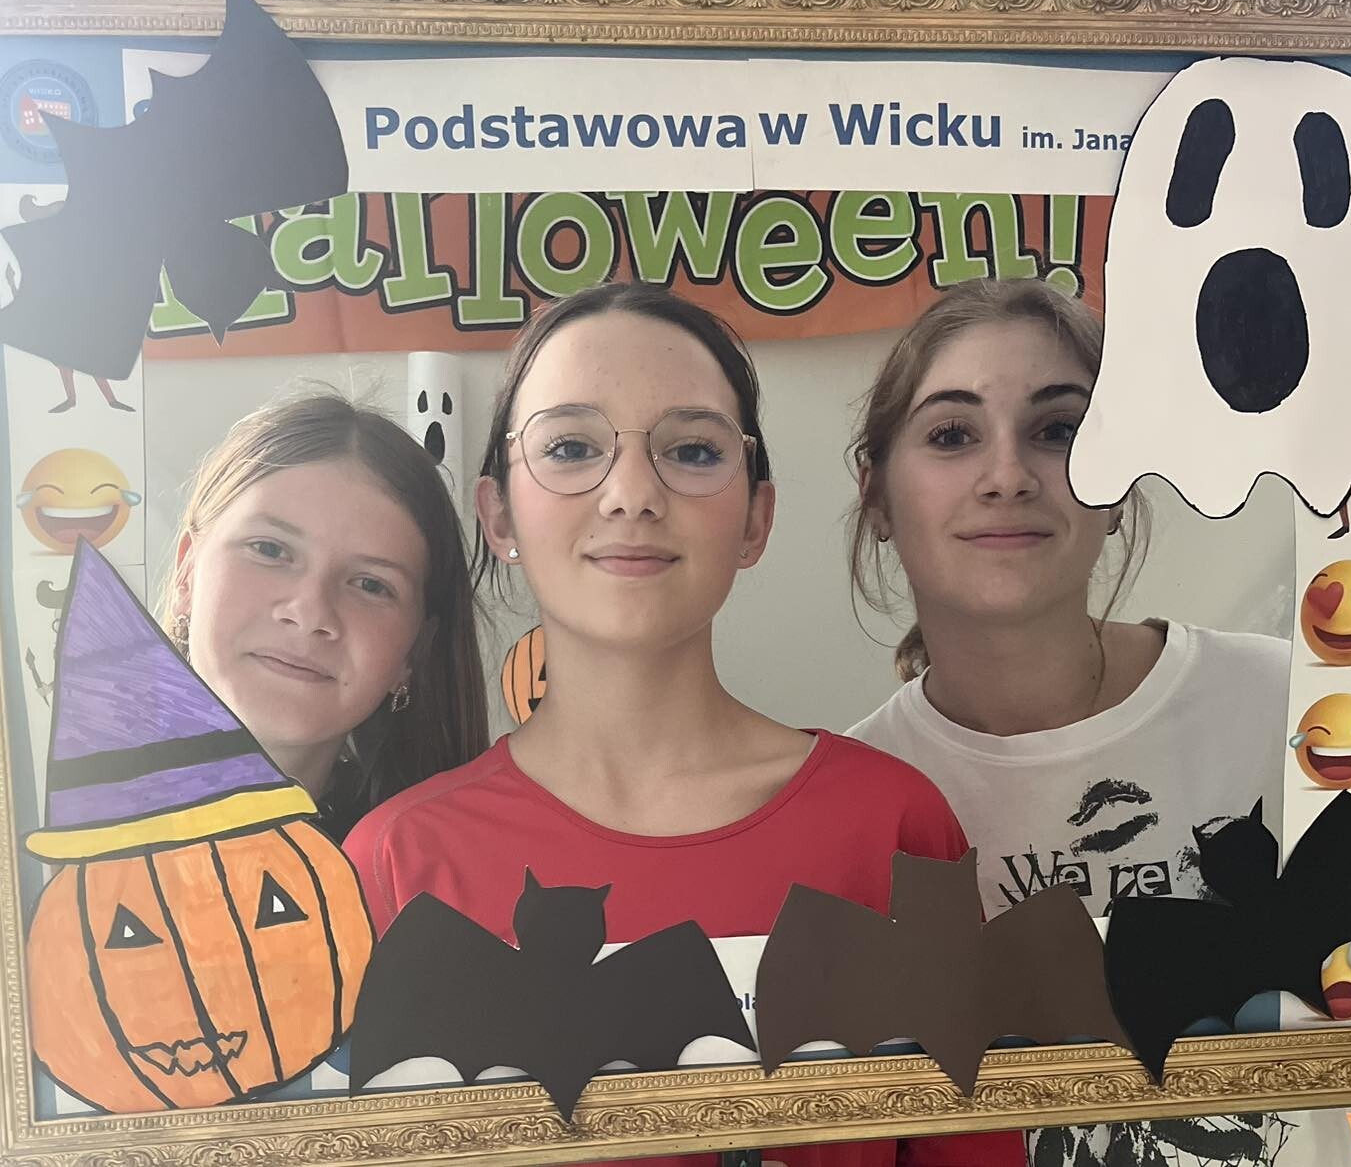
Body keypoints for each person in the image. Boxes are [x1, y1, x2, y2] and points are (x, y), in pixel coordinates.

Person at [345, 282, 1023, 1167]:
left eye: (693, 450)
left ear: (755, 519)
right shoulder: (394, 863)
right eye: (571, 447)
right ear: (499, 513)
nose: (632, 493)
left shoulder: (892, 826)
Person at [842, 277, 1351, 1167]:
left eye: (1058, 430)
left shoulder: (1301, 713)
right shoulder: (857, 801)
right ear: (879, 498)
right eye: (953, 435)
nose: (1008, 476)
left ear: (1117, 484)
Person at [161, 390, 488, 842]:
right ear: (187, 573)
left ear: (414, 652)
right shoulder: (62, 826)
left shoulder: (428, 867)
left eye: (370, 584)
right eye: (269, 549)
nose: (310, 612)